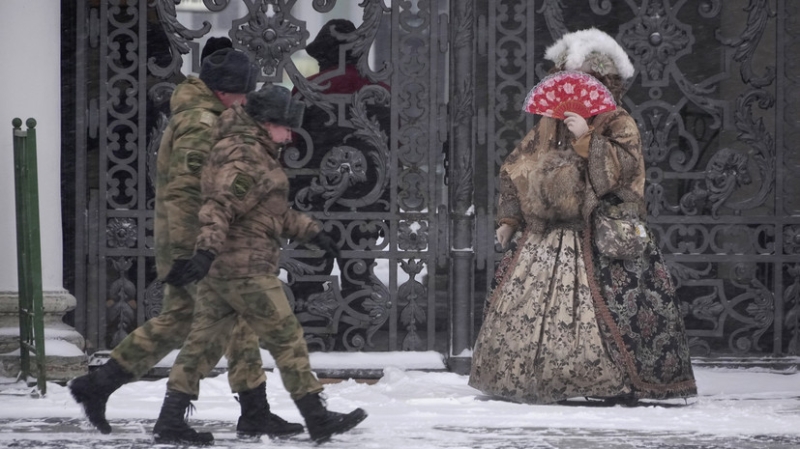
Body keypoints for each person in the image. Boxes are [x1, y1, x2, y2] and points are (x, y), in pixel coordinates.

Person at [69, 47, 304, 440]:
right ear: (228, 92)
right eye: (244, 94)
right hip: (195, 244)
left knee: (180, 321)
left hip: (194, 242)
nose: (248, 102)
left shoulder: (206, 116)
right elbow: (186, 192)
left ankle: (98, 385)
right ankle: (241, 413)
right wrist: (195, 253)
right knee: (234, 320)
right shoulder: (201, 122)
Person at [469, 28, 697, 405]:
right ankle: (536, 380)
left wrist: (587, 139)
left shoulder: (617, 121)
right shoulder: (547, 121)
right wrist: (509, 219)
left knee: (608, 306)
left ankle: (604, 382)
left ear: (606, 83)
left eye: (592, 81)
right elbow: (517, 167)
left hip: (599, 230)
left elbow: (627, 169)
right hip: (544, 233)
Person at [152, 84, 368, 445]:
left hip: (224, 271)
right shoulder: (245, 155)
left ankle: (170, 420)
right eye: (287, 126)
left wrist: (312, 233)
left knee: (201, 347)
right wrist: (204, 251)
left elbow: (269, 211)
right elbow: (220, 205)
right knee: (288, 339)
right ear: (268, 124)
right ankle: (317, 417)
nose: (291, 134)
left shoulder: (249, 149)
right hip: (245, 269)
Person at [289, 19, 391, 318]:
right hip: (368, 196)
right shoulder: (381, 91)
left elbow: (292, 143)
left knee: (307, 270)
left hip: (313, 195)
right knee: (358, 273)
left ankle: (309, 330)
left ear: (322, 55)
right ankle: (356, 332)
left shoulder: (306, 91)